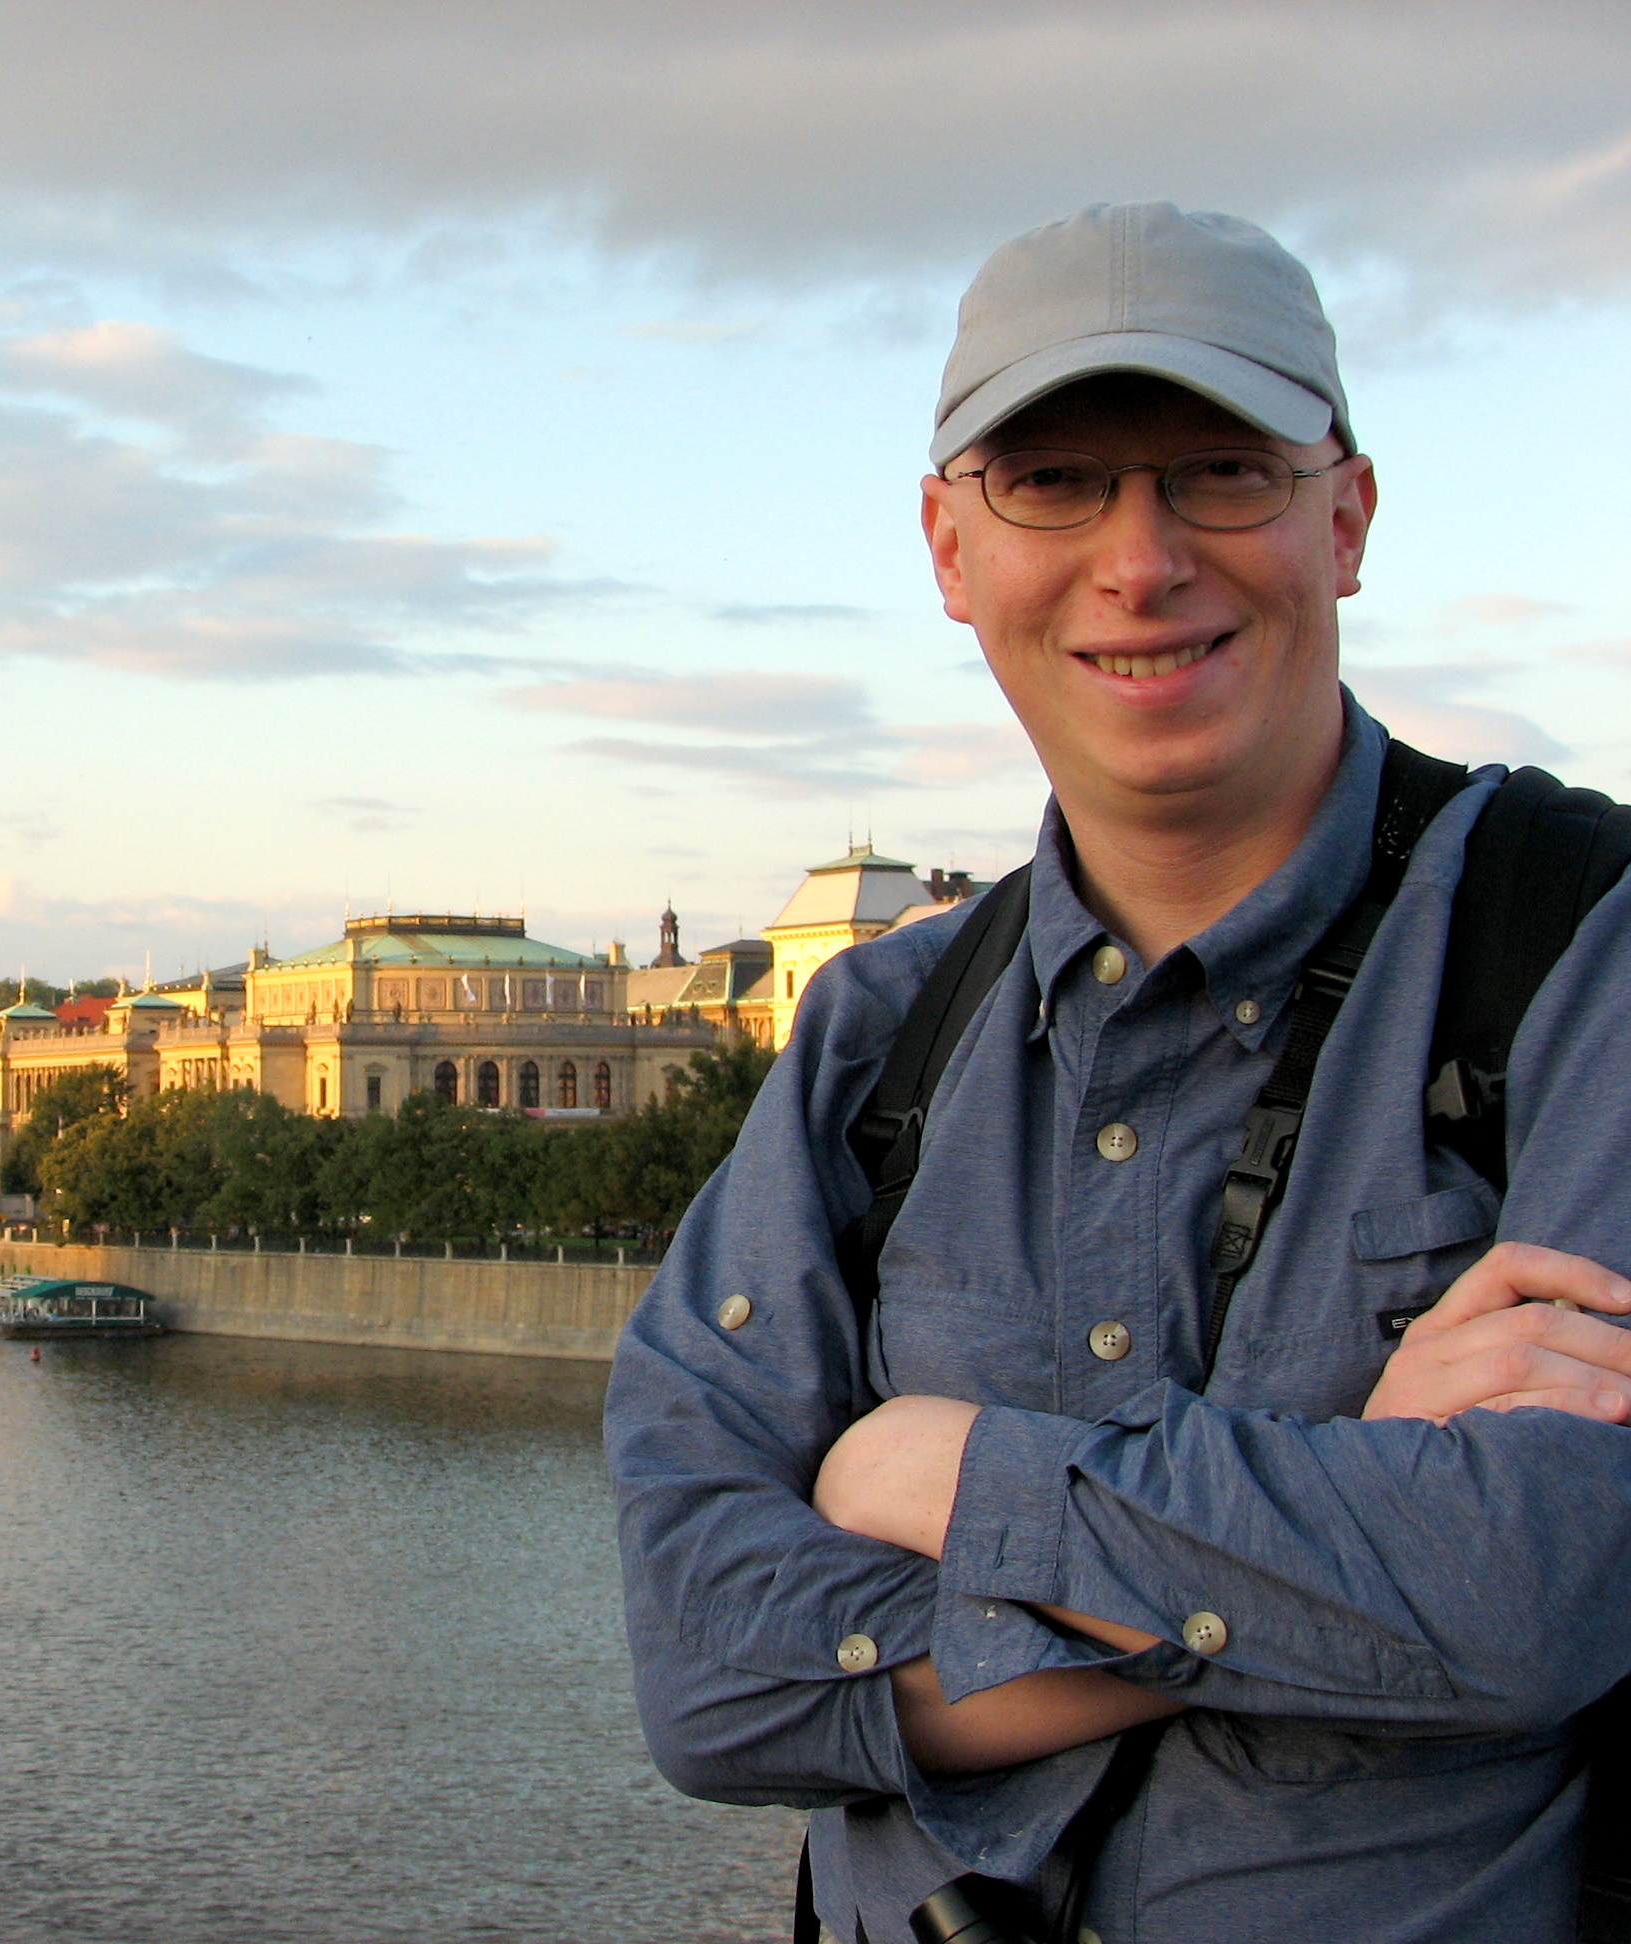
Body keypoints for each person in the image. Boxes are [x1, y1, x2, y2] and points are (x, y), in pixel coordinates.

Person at [605, 201, 1631, 1944]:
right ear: (949, 549)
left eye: (1221, 473)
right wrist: (1343, 1508)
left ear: (1346, 518)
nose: (1139, 562)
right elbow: (705, 1674)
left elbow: (1543, 1591)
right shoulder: (876, 1029)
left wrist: (941, 1474)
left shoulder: (1582, 950)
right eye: (1055, 483)